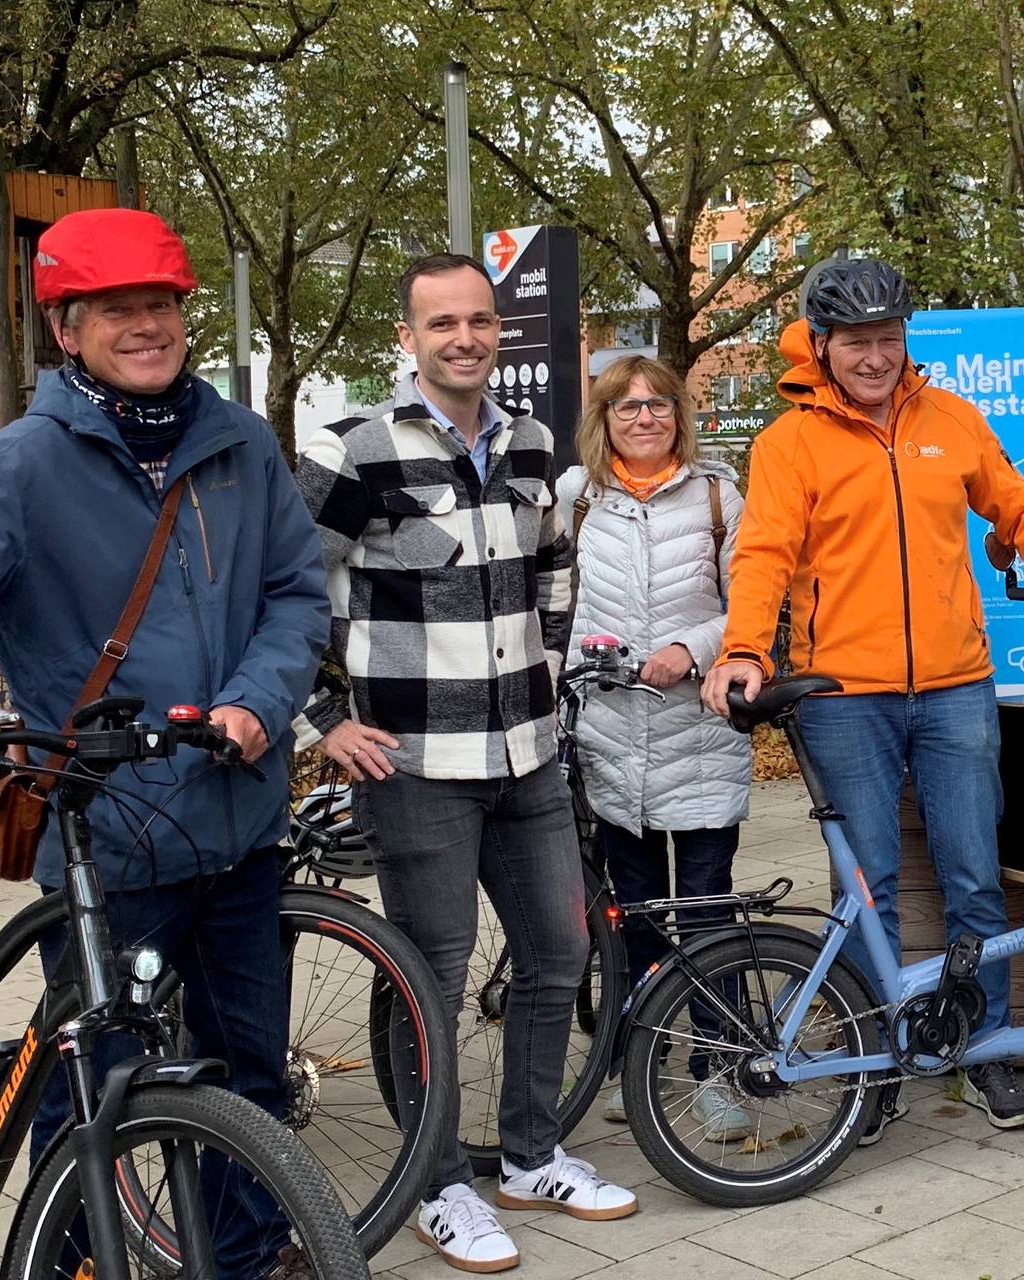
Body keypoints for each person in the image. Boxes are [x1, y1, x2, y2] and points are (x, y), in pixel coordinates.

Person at [0, 207, 330, 1278]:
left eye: (162, 305)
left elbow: (293, 594)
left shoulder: (239, 444)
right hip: (111, 836)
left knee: (251, 1084)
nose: (147, 327)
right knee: (96, 1088)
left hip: (238, 817)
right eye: (117, 309)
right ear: (68, 326)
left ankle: (245, 1260)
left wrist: (258, 697)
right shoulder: (19, 467)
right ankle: (68, 1257)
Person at [701, 256, 1024, 1135]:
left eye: (889, 340)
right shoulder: (788, 442)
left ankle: (985, 1050)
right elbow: (762, 553)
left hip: (957, 685)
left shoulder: (951, 418)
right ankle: (874, 1067)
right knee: (866, 891)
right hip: (843, 697)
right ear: (821, 345)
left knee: (974, 882)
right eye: (856, 343)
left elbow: (1022, 507)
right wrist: (742, 651)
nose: (875, 358)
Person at [295, 252, 630, 1274]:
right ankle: (437, 1183)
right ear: (408, 336)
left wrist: (550, 677)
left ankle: (529, 1154)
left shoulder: (531, 445)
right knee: (431, 976)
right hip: (418, 764)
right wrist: (321, 720)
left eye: (479, 320)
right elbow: (276, 591)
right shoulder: (353, 450)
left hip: (527, 755)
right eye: (441, 322)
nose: (464, 337)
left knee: (557, 956)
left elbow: (553, 573)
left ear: (499, 331)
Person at [552, 356, 754, 1136]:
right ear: (603, 421)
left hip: (698, 730)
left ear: (679, 414)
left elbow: (750, 608)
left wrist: (688, 647)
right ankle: (637, 1065)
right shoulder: (576, 500)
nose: (644, 418)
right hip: (609, 737)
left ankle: (717, 1070)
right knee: (631, 917)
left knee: (704, 913)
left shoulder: (716, 496)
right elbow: (555, 609)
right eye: (626, 407)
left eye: (657, 405)